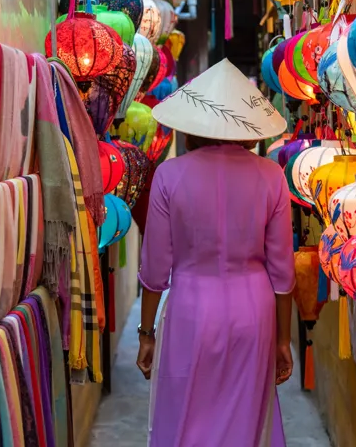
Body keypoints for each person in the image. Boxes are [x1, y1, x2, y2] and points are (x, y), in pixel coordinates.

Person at [135, 59, 296, 446]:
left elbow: (155, 268)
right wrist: (283, 340)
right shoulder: (271, 176)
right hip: (254, 311)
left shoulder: (169, 176)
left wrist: (146, 333)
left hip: (191, 308)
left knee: (186, 416)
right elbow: (283, 273)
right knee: (245, 422)